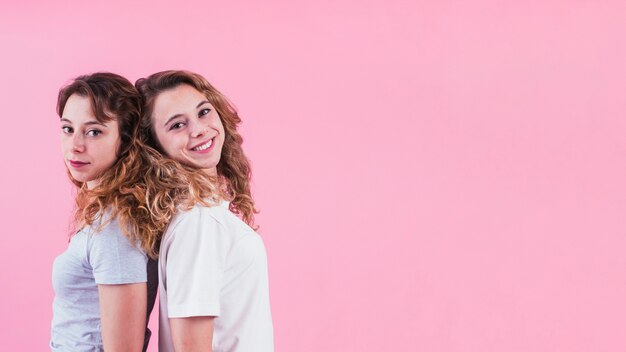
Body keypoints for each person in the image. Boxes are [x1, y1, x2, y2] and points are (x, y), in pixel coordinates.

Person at [136, 70, 274, 351]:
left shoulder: (202, 214)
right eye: (177, 125)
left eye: (203, 112)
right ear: (154, 146)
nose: (198, 129)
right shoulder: (200, 221)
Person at [51, 72, 159, 351]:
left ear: (124, 140)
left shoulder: (114, 227)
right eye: (67, 128)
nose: (75, 145)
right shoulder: (103, 210)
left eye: (94, 131)